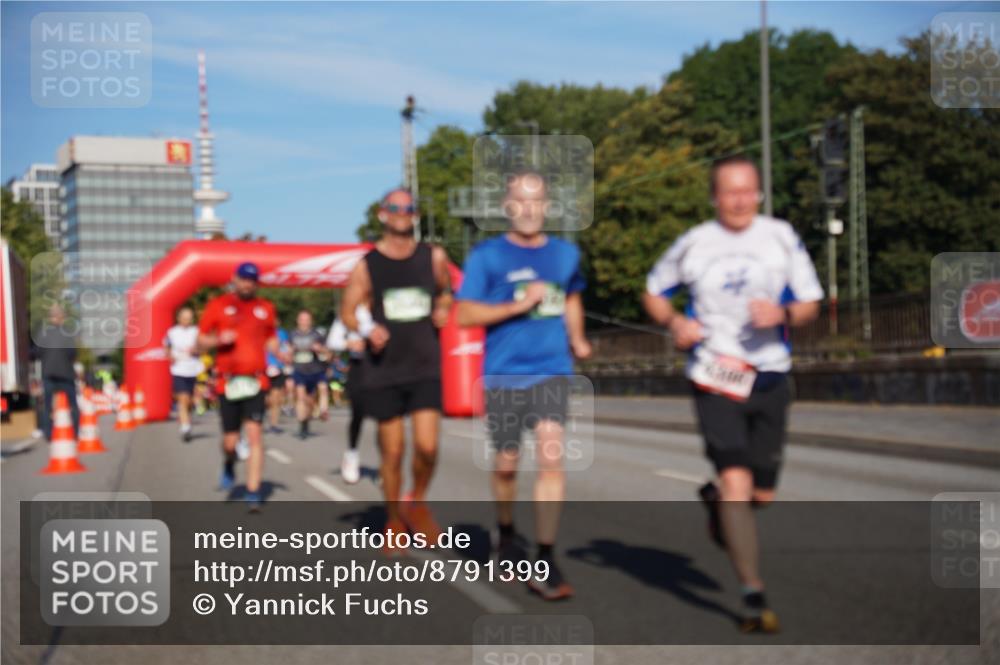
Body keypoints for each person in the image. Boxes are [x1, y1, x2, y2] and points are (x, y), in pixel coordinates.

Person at [643, 155, 823, 633]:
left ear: (760, 193)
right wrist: (674, 321)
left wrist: (783, 317)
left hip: (770, 376)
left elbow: (810, 304)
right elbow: (653, 290)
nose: (741, 200)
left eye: (750, 191)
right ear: (714, 197)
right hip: (714, 374)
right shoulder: (696, 243)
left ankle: (716, 505)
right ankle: (751, 594)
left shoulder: (780, 236)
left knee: (761, 493)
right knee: (738, 485)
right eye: (731, 191)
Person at [456, 169, 591, 601]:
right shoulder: (487, 257)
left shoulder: (566, 254)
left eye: (537, 201)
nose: (529, 210)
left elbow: (571, 297)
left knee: (552, 457)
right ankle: (507, 530)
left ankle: (546, 557)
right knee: (507, 465)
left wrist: (578, 338)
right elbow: (464, 316)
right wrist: (519, 304)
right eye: (521, 201)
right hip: (504, 374)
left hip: (552, 369)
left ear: (547, 207)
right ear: (507, 207)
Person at [341, 188, 452, 552]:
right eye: (396, 208)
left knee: (428, 447)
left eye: (409, 208)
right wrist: (366, 329)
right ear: (382, 215)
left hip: (424, 365)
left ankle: (416, 501)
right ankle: (392, 520)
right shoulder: (367, 265)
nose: (403, 213)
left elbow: (446, 293)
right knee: (392, 452)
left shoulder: (433, 256)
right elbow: (347, 310)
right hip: (384, 368)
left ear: (416, 215)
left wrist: (443, 309)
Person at [197, 262, 280, 512]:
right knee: (230, 441)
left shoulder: (266, 308)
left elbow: (271, 336)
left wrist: (278, 349)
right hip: (228, 382)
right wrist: (217, 339)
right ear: (234, 279)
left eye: (252, 280)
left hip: (256, 380)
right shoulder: (218, 306)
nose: (247, 284)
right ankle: (229, 464)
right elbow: (200, 341)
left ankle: (253, 492)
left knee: (255, 435)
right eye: (243, 279)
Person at [327, 305, 375, 484]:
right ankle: (352, 453)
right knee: (358, 413)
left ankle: (388, 463)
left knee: (387, 415)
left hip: (384, 365)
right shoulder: (350, 311)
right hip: (359, 365)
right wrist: (351, 343)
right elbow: (333, 341)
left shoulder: (385, 304)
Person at [31, 304, 80, 440]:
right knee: (73, 405)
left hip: (48, 374)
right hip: (66, 374)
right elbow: (72, 353)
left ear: (50, 318)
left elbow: (37, 352)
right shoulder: (68, 333)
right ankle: (75, 433)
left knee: (47, 407)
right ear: (62, 318)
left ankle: (48, 435)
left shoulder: (42, 333)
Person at [286, 310, 331, 440]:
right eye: (302, 319)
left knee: (321, 390)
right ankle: (302, 425)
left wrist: (320, 349)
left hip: (316, 369)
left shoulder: (317, 334)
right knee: (301, 397)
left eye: (307, 319)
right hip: (299, 370)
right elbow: (287, 353)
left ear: (311, 321)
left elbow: (328, 353)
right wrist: (290, 352)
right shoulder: (292, 334)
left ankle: (323, 411)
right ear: (298, 320)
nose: (304, 322)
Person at [164, 306, 205, 442]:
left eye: (190, 318)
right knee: (183, 398)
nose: (187, 321)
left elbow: (203, 346)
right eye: (185, 318)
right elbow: (166, 347)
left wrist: (197, 350)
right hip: (179, 369)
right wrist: (171, 356)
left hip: (195, 369)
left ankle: (188, 417)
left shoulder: (196, 331)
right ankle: (185, 427)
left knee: (191, 401)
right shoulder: (172, 332)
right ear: (179, 318)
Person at [265, 328, 290, 433]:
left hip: (278, 368)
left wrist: (286, 359)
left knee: (276, 398)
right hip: (261, 369)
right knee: (266, 399)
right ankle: (261, 415)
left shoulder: (281, 333)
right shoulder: (258, 330)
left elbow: (286, 348)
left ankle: (274, 425)